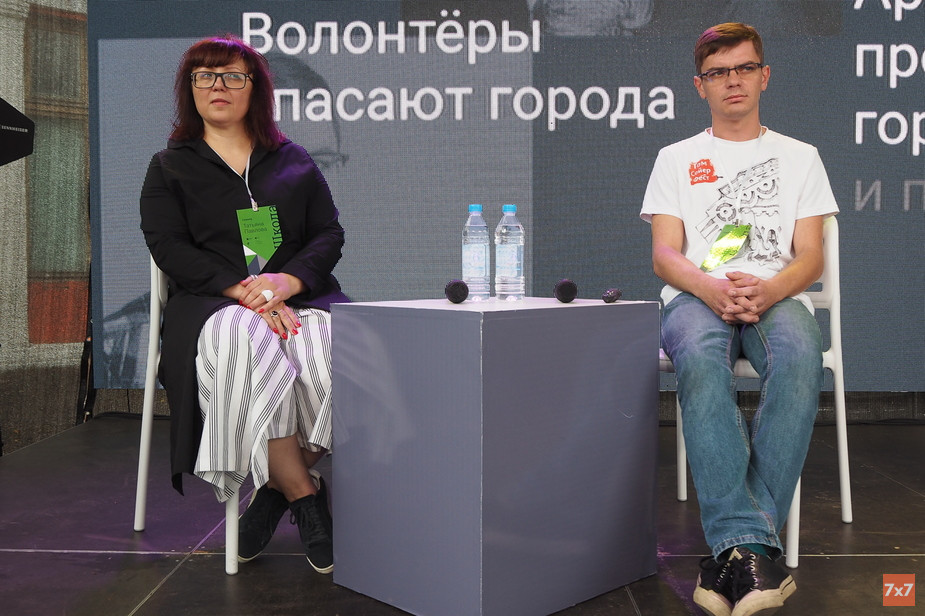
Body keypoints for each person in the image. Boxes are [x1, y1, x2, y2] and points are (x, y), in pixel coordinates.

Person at [639, 23, 838, 616]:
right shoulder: (676, 158)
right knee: (701, 362)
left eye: (745, 68)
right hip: (696, 296)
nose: (733, 81)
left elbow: (811, 257)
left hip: (777, 295)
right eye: (718, 72)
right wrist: (710, 287)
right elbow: (665, 254)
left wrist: (770, 289)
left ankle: (737, 551)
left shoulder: (801, 157)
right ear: (699, 85)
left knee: (800, 357)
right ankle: (757, 553)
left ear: (764, 76)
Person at [140, 35, 350, 574]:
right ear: (190, 89)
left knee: (336, 346)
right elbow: (168, 246)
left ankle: (275, 491)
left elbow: (328, 233)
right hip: (212, 304)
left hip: (299, 296)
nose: (219, 86)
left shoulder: (292, 159)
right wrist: (244, 291)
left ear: (255, 89)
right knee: (246, 337)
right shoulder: (169, 167)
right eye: (205, 76)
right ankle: (305, 495)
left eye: (233, 75)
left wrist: (285, 281)